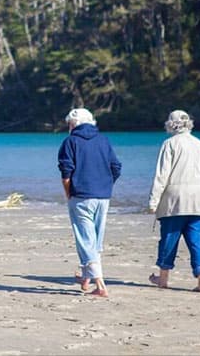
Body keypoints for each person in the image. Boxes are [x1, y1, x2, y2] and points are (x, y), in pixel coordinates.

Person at [57, 107, 122, 298]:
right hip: (103, 196)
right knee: (95, 238)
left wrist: (68, 193)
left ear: (73, 124)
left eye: (69, 124)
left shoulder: (70, 141)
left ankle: (100, 285)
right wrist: (106, 185)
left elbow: (66, 172)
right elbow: (116, 167)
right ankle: (86, 278)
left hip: (81, 196)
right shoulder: (103, 140)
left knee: (86, 240)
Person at [147, 109, 200, 293]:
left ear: (171, 124)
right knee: (198, 242)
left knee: (169, 238)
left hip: (175, 200)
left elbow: (162, 176)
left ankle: (163, 278)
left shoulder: (170, 144)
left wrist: (153, 201)